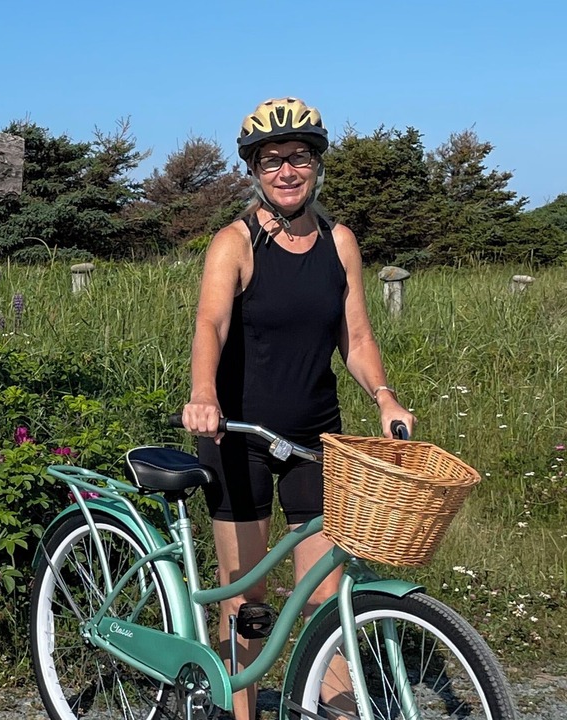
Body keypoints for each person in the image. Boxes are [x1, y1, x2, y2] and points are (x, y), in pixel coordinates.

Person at [181, 97, 414, 720]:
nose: (287, 170)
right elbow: (210, 323)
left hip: (315, 435)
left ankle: (333, 709)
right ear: (254, 169)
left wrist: (385, 396)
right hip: (239, 434)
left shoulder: (340, 242)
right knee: (248, 601)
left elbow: (357, 337)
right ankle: (243, 713)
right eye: (272, 159)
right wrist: (204, 394)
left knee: (326, 594)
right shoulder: (235, 242)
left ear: (317, 166)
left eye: (299, 158)